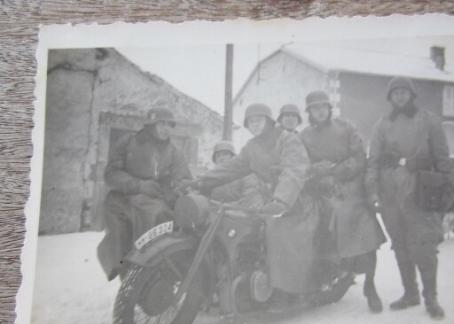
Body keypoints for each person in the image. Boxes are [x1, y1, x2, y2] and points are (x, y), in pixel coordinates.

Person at [196, 103, 320, 302]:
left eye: (258, 120)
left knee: (276, 231)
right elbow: (230, 168)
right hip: (270, 201)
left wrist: (281, 200)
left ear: (269, 121)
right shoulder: (252, 147)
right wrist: (201, 181)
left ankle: (287, 291)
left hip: (297, 203)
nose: (254, 125)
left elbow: (293, 171)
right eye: (250, 122)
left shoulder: (288, 140)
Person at [366, 77, 452, 320]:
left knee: (424, 246)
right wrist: (372, 192)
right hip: (390, 194)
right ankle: (410, 293)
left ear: (411, 95)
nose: (400, 96)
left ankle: (430, 297)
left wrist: (446, 186)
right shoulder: (382, 125)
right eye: (396, 93)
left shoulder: (429, 121)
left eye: (404, 92)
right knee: (401, 246)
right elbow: (372, 162)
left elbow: (443, 158)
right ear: (390, 97)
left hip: (421, 192)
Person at [300, 90, 386, 313]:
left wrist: (337, 171)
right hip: (323, 190)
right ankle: (330, 277)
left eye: (323, 107)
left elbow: (359, 158)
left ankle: (370, 285)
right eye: (314, 108)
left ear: (329, 108)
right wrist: (318, 173)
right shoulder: (305, 136)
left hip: (352, 188)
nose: (320, 111)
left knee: (365, 236)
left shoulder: (346, 127)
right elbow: (302, 166)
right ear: (309, 112)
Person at [97, 107, 192, 280]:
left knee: (158, 222)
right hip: (122, 198)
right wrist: (138, 185)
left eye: (169, 125)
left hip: (154, 200)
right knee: (119, 242)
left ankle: (152, 274)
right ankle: (126, 276)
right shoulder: (128, 142)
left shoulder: (174, 152)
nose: (165, 129)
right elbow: (111, 174)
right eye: (161, 124)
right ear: (151, 124)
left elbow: (183, 179)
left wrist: (174, 191)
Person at [209, 140, 265, 209]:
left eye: (225, 154)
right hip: (215, 214)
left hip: (239, 214)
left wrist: (226, 206)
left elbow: (250, 199)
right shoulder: (211, 179)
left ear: (233, 157)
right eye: (218, 156)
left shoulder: (246, 175)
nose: (221, 158)